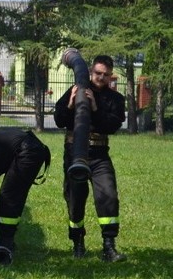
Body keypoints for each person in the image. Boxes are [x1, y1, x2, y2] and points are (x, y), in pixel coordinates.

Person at [53, 54, 127, 262]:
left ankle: (109, 247)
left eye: (106, 75)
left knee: (108, 196)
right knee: (75, 199)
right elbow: (59, 120)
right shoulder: (75, 89)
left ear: (111, 76)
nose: (101, 78)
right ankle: (78, 243)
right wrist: (70, 103)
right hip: (73, 152)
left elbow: (112, 126)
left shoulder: (115, 99)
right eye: (97, 73)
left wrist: (94, 107)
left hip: (99, 154)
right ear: (91, 71)